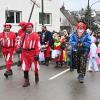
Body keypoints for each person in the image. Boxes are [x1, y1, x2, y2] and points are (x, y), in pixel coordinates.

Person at [16, 22, 40, 87]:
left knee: (34, 67)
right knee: (25, 67)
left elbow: (37, 46)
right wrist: (18, 48)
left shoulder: (35, 35)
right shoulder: (22, 36)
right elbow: (19, 44)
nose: (29, 28)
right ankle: (27, 81)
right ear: (25, 28)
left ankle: (36, 75)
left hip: (33, 53)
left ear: (32, 28)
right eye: (27, 27)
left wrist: (37, 54)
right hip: (24, 53)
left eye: (30, 27)